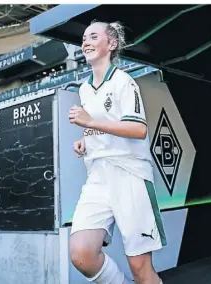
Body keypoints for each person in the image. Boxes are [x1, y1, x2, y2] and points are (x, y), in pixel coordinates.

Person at [68, 20, 167, 284]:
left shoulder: (124, 82)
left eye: (93, 37)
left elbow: (137, 129)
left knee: (140, 267)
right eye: (83, 38)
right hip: (98, 176)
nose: (85, 42)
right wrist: (85, 140)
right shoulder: (84, 88)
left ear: (111, 44)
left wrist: (90, 123)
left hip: (129, 174)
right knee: (81, 253)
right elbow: (102, 125)